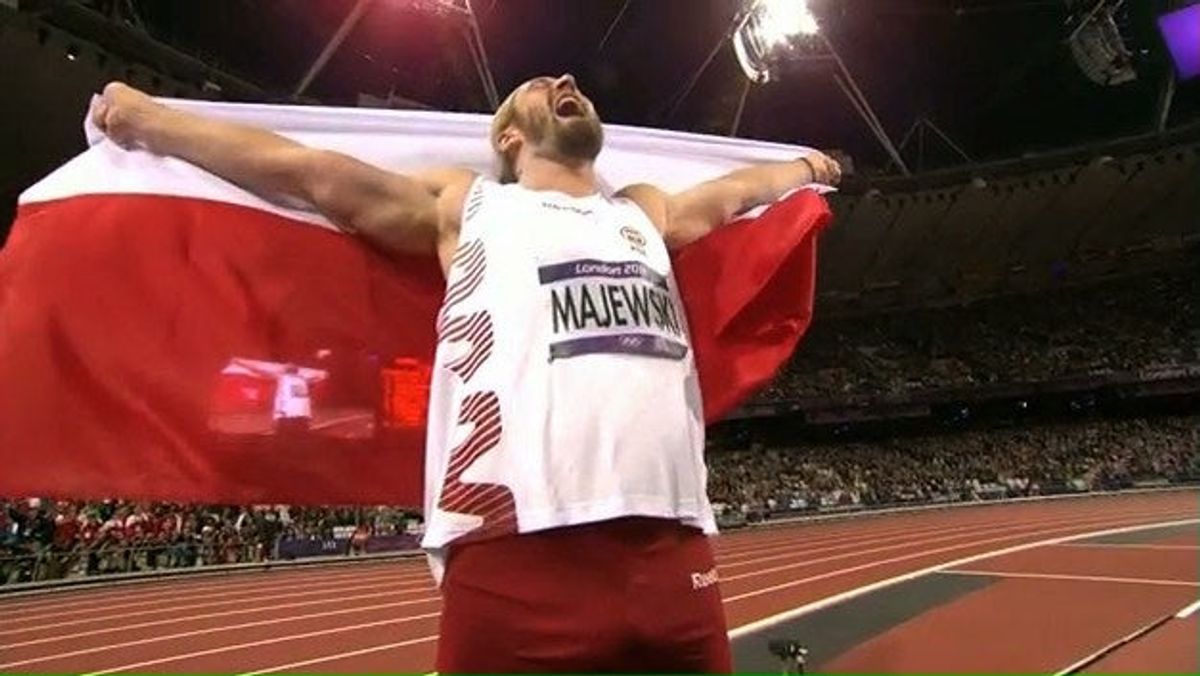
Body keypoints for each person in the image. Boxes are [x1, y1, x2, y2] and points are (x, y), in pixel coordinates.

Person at [91, 74, 841, 673]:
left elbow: (735, 194)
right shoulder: (469, 205)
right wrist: (152, 122)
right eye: (543, 83)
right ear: (510, 137)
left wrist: (803, 168)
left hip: (673, 556)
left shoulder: (642, 212)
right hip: (516, 562)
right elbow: (308, 172)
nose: (569, 79)